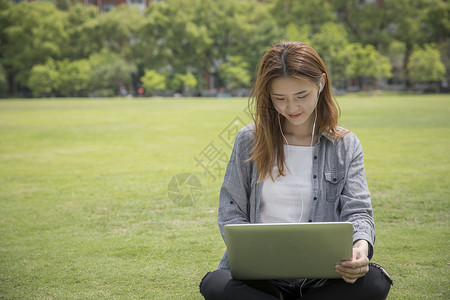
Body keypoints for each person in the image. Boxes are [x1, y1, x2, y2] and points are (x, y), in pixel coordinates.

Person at [199, 42, 392, 300]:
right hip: (261, 279)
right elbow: (231, 209)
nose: (291, 108)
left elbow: (358, 211)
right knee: (215, 283)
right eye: (280, 98)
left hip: (325, 278)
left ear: (320, 84)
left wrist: (360, 246)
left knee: (375, 282)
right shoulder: (249, 139)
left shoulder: (345, 144)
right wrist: (249, 253)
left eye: (301, 96)